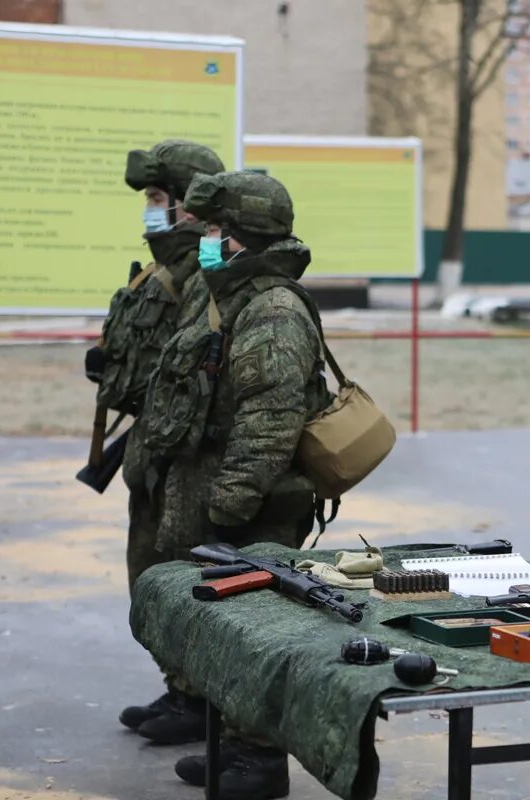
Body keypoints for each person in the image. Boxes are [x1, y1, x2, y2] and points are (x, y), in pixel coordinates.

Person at [137, 170, 333, 798]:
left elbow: (269, 419)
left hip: (253, 504)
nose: (207, 240)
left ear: (245, 236)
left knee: (254, 630)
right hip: (219, 486)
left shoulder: (272, 309)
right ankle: (232, 746)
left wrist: (230, 506)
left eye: (217, 230)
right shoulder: (236, 295)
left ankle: (258, 761)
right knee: (223, 628)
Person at [83, 139, 224, 741]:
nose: (151, 209)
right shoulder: (164, 266)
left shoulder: (205, 270)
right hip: (152, 447)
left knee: (179, 575)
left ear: (190, 206)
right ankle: (180, 689)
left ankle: (200, 701)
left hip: (186, 455)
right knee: (148, 574)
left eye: (159, 198)